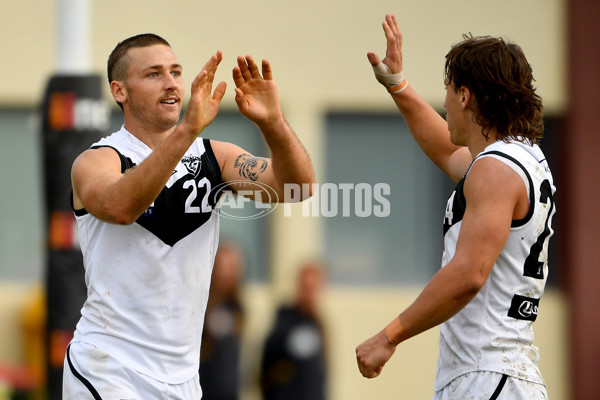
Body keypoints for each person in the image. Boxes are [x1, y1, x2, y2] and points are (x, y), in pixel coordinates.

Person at [62, 33, 315, 399]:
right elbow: (120, 207)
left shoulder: (215, 156)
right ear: (120, 91)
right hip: (109, 367)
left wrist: (273, 122)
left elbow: (298, 188)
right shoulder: (99, 159)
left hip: (181, 379)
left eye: (176, 72)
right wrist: (187, 130)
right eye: (153, 74)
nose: (171, 83)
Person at [355, 14, 556, 400]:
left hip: (487, 375)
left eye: (448, 90)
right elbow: (448, 152)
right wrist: (397, 84)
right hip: (501, 375)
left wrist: (388, 336)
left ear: (464, 95)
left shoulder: (496, 170)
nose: (445, 103)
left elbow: (468, 274)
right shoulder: (519, 159)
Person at [260, 261, 328, 400]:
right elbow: (266, 371)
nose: (309, 294)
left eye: (313, 287)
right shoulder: (284, 324)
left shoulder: (318, 324)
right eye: (306, 287)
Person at [200, 242, 245, 400]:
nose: (225, 273)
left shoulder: (237, 309)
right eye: (222, 266)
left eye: (231, 267)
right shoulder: (201, 306)